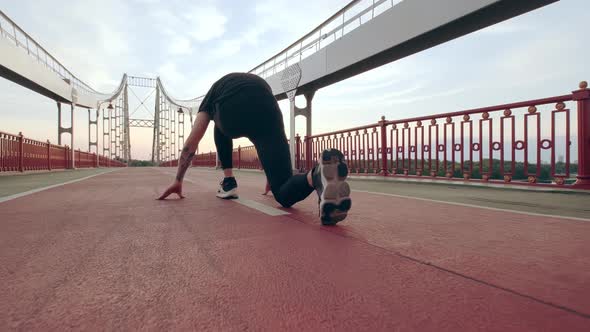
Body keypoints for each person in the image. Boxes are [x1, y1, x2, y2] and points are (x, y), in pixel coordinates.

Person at [157, 73, 351, 225]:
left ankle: (228, 181)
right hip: (267, 103)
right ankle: (316, 174)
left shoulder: (211, 97)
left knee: (217, 124)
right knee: (283, 190)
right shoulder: (247, 83)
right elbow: (267, 142)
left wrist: (178, 180)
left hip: (230, 110)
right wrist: (273, 174)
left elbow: (192, 142)